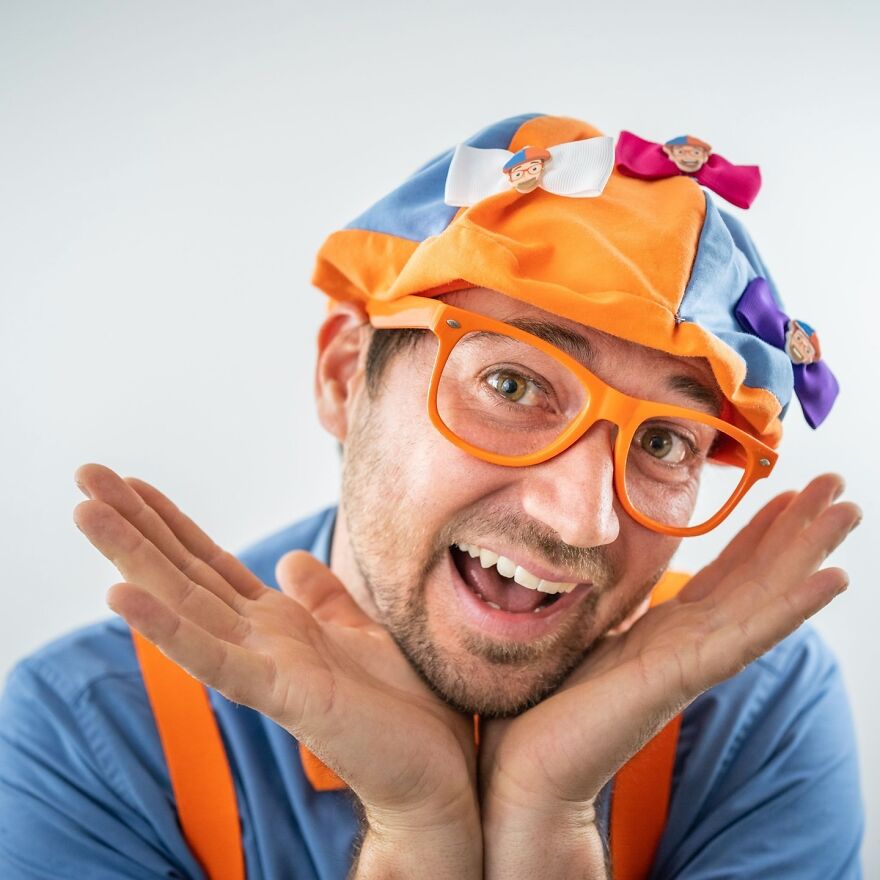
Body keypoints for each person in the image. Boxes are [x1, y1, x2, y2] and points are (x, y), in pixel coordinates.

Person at [0, 113, 864, 879]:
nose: (582, 518)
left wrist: (548, 825)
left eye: (665, 443)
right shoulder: (92, 737)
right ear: (345, 377)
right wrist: (418, 834)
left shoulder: (756, 712)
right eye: (515, 386)